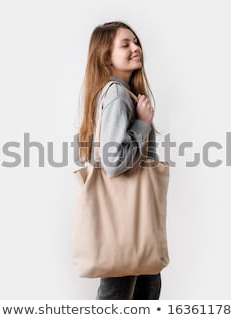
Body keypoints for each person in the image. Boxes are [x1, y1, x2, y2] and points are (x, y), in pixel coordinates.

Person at [77, 21, 161, 300]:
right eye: (125, 44)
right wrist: (142, 124)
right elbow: (112, 162)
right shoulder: (116, 95)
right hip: (128, 224)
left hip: (130, 224)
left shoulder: (117, 93)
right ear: (105, 56)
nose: (136, 48)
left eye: (136, 42)